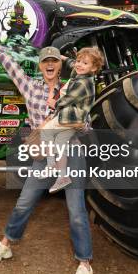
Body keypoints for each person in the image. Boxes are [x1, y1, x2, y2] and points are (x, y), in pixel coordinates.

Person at [0, 33, 95, 274]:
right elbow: (11, 66)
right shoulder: (30, 87)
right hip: (44, 156)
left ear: (59, 65)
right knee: (24, 202)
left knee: (76, 212)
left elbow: (86, 123)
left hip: (72, 153)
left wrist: (75, 122)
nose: (50, 64)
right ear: (40, 66)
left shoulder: (72, 86)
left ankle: (85, 266)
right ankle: (6, 244)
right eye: (45, 61)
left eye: (54, 60)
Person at [42, 47, 103, 193]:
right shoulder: (80, 72)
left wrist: (54, 104)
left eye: (85, 63)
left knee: (45, 132)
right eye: (78, 61)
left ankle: (51, 166)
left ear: (94, 68)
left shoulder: (84, 83)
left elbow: (69, 99)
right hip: (74, 119)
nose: (79, 65)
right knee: (60, 142)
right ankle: (63, 177)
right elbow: (72, 64)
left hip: (71, 116)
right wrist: (64, 59)